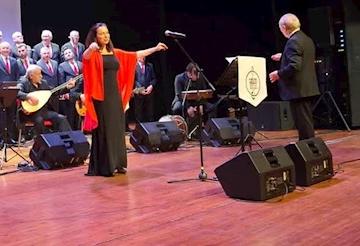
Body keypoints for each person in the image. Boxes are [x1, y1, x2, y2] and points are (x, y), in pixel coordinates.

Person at [81, 23, 167, 177]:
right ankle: (105, 166)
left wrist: (155, 48)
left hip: (114, 96)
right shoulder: (93, 54)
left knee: (117, 128)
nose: (105, 36)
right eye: (101, 34)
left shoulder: (115, 53)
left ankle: (118, 163)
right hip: (101, 97)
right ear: (95, 36)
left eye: (107, 33)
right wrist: (91, 48)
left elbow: (135, 55)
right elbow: (85, 57)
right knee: (105, 129)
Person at [269, 13, 320, 140]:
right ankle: (309, 149)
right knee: (306, 122)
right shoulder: (305, 39)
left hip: (298, 90)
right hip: (307, 88)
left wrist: (278, 74)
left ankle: (308, 151)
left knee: (303, 125)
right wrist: (284, 56)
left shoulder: (293, 42)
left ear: (284, 27)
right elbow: (303, 58)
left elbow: (295, 65)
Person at [17, 65, 72, 135]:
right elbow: (17, 92)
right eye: (38, 74)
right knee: (39, 120)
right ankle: (41, 142)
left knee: (61, 118)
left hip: (44, 111)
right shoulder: (23, 82)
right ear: (31, 76)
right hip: (30, 114)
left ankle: (69, 140)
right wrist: (28, 96)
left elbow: (54, 92)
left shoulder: (43, 83)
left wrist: (67, 87)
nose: (41, 76)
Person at [171, 62, 214, 138]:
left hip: (197, 101)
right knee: (176, 108)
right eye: (195, 73)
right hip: (183, 101)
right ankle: (180, 134)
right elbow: (179, 95)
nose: (198, 76)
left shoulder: (200, 77)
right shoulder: (179, 78)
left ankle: (208, 132)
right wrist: (188, 107)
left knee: (211, 107)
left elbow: (203, 92)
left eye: (198, 73)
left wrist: (200, 104)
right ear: (189, 74)